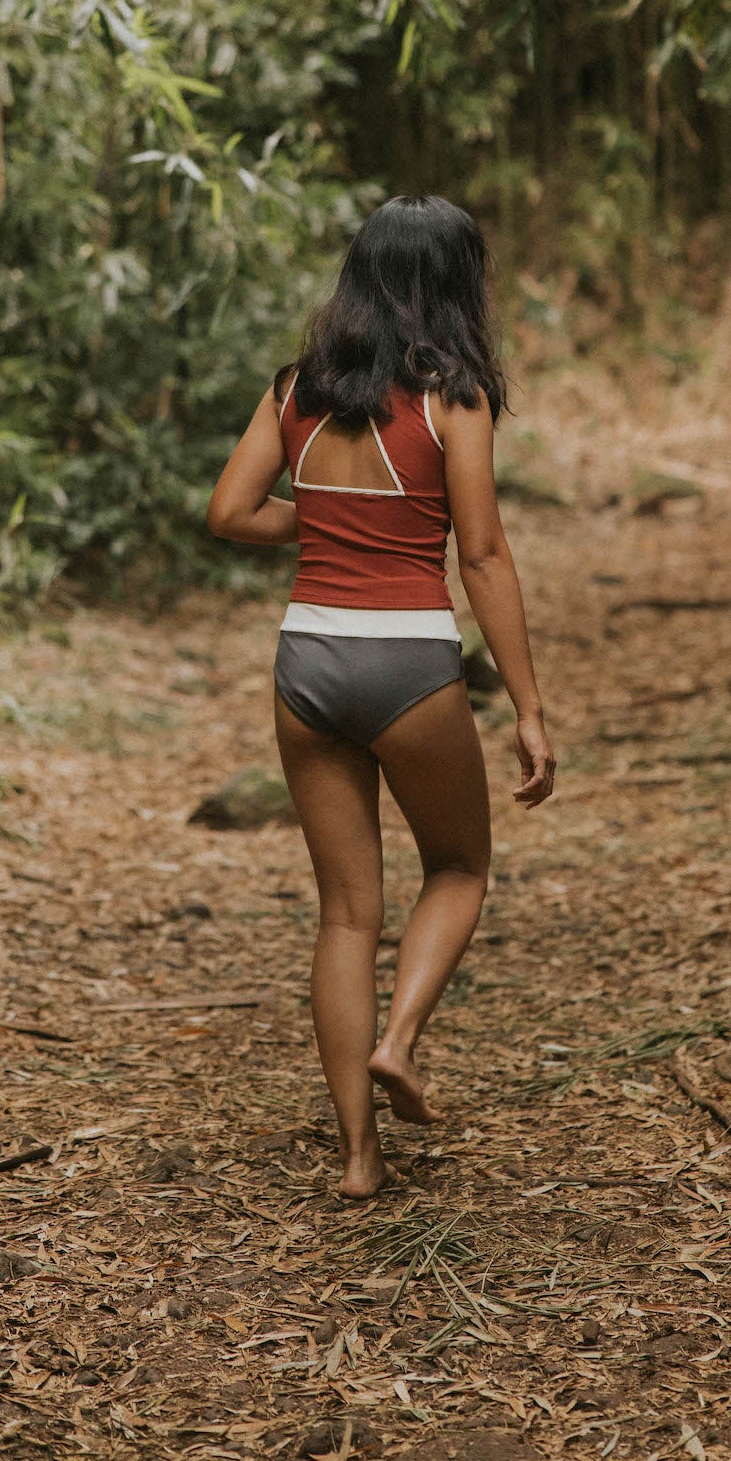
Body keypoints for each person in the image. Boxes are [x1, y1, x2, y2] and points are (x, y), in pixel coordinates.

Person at [206, 194, 555, 1198]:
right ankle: (400, 1037)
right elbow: (482, 553)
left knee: (346, 915)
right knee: (457, 863)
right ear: (455, 283)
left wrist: (315, 526)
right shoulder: (458, 398)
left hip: (307, 658)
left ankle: (359, 1158)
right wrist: (528, 705)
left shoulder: (295, 390)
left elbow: (230, 510)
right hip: (407, 660)